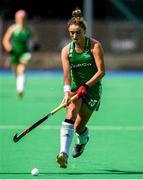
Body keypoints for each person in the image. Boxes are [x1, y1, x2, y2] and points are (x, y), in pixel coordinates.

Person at [56, 8, 105, 168]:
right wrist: (66, 93)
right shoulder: (66, 51)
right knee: (70, 113)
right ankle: (63, 153)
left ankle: (83, 139)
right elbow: (66, 76)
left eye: (78, 33)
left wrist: (86, 86)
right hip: (76, 88)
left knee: (79, 127)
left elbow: (101, 71)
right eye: (71, 33)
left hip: (92, 90)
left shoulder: (95, 46)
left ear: (84, 31)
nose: (74, 36)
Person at [2, 9, 32, 98]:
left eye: (23, 17)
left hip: (25, 53)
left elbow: (34, 38)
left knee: (21, 69)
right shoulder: (12, 29)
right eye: (20, 17)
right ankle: (20, 83)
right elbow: (5, 40)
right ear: (16, 18)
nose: (22, 19)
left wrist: (34, 45)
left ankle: (20, 89)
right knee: (16, 72)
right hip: (14, 53)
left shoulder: (29, 29)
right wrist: (8, 48)